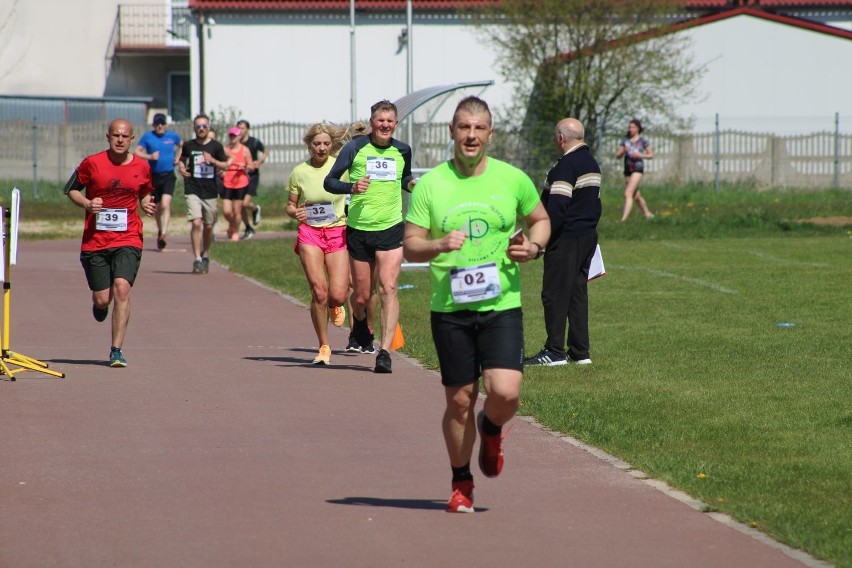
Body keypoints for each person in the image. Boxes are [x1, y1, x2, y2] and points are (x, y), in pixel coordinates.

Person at [403, 96, 550, 513]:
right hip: (450, 308)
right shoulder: (432, 185)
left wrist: (534, 246)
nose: (471, 135)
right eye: (463, 127)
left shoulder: (512, 179)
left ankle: (492, 427)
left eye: (479, 128)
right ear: (451, 132)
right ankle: (461, 481)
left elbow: (540, 219)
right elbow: (411, 245)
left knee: (504, 392)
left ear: (489, 133)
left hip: (501, 302)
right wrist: (436, 244)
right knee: (461, 399)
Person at [324, 100, 416, 373]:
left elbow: (405, 177)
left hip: (391, 227)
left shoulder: (403, 150)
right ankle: (360, 323)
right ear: (372, 121)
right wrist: (352, 186)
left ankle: (384, 352)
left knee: (388, 288)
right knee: (362, 296)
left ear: (396, 123)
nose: (385, 125)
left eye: (390, 121)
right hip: (360, 229)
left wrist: (413, 185)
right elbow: (330, 181)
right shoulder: (355, 148)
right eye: (380, 120)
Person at [64, 118, 157, 368]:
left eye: (125, 136)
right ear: (108, 137)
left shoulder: (142, 166)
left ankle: (116, 350)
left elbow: (146, 190)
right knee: (103, 299)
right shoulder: (92, 163)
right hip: (96, 241)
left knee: (122, 288)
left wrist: (146, 202)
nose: (120, 140)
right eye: (115, 135)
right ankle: (100, 306)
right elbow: (71, 189)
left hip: (128, 237)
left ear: (132, 139)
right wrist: (86, 203)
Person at [524, 118, 601, 367]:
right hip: (587, 235)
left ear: (561, 138)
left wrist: (543, 236)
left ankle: (554, 350)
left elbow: (556, 207)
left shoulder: (565, 166)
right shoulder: (591, 162)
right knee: (577, 292)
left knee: (554, 293)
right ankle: (580, 351)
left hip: (565, 237)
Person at [286, 123, 350, 365]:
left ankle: (336, 304)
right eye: (316, 144)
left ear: (331, 144)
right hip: (310, 233)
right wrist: (295, 213)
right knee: (319, 292)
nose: (321, 148)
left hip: (337, 231)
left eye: (325, 143)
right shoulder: (299, 172)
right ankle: (324, 346)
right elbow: (290, 204)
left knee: (338, 293)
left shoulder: (340, 167)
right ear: (309, 145)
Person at [178, 113, 230, 273]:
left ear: (208, 128)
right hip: (192, 188)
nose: (201, 129)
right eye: (198, 126)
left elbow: (225, 166)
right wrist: (181, 168)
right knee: (196, 222)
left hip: (210, 191)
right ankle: (197, 259)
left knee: (208, 226)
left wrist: (213, 161)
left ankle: (205, 253)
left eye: (204, 126)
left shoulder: (216, 146)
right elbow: (182, 159)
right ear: (194, 128)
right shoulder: (189, 145)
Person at [134, 113, 182, 251]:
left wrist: (178, 158)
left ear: (166, 125)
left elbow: (182, 145)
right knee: (157, 208)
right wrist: (149, 156)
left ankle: (164, 235)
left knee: (165, 205)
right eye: (157, 124)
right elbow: (137, 151)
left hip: (168, 175)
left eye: (162, 123)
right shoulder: (148, 137)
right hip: (154, 176)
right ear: (153, 125)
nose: (159, 126)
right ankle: (160, 231)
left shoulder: (172, 136)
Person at [616, 118, 654, 222]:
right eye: (629, 127)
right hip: (627, 169)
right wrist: (623, 150)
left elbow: (651, 155)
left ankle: (623, 220)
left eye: (632, 127)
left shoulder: (643, 141)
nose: (630, 129)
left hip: (637, 168)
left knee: (628, 193)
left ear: (638, 128)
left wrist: (640, 155)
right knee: (636, 195)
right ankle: (648, 215)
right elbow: (618, 156)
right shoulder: (625, 141)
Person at [236, 120, 269, 239]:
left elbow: (265, 151)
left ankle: (255, 209)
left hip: (252, 175)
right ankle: (248, 228)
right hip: (239, 176)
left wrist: (259, 161)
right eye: (238, 128)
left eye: (243, 128)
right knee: (240, 205)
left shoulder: (254, 142)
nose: (240, 131)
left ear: (247, 129)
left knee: (245, 203)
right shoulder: (236, 143)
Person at [222, 126, 255, 241]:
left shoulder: (244, 150)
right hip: (227, 182)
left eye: (234, 135)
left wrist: (244, 166)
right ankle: (232, 224)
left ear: (239, 136)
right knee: (226, 211)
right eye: (230, 135)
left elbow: (252, 166)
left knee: (237, 209)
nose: (232, 138)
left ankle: (235, 232)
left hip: (241, 182)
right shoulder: (226, 150)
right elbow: (221, 164)